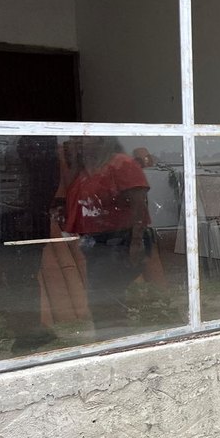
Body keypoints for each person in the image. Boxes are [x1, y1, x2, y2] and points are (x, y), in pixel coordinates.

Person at [62, 136, 154, 325]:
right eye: (74, 139)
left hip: (119, 239)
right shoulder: (87, 168)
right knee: (104, 296)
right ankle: (112, 339)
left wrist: (136, 242)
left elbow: (139, 204)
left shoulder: (121, 163)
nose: (77, 142)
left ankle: (114, 340)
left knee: (104, 297)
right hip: (95, 240)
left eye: (83, 138)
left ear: (101, 140)